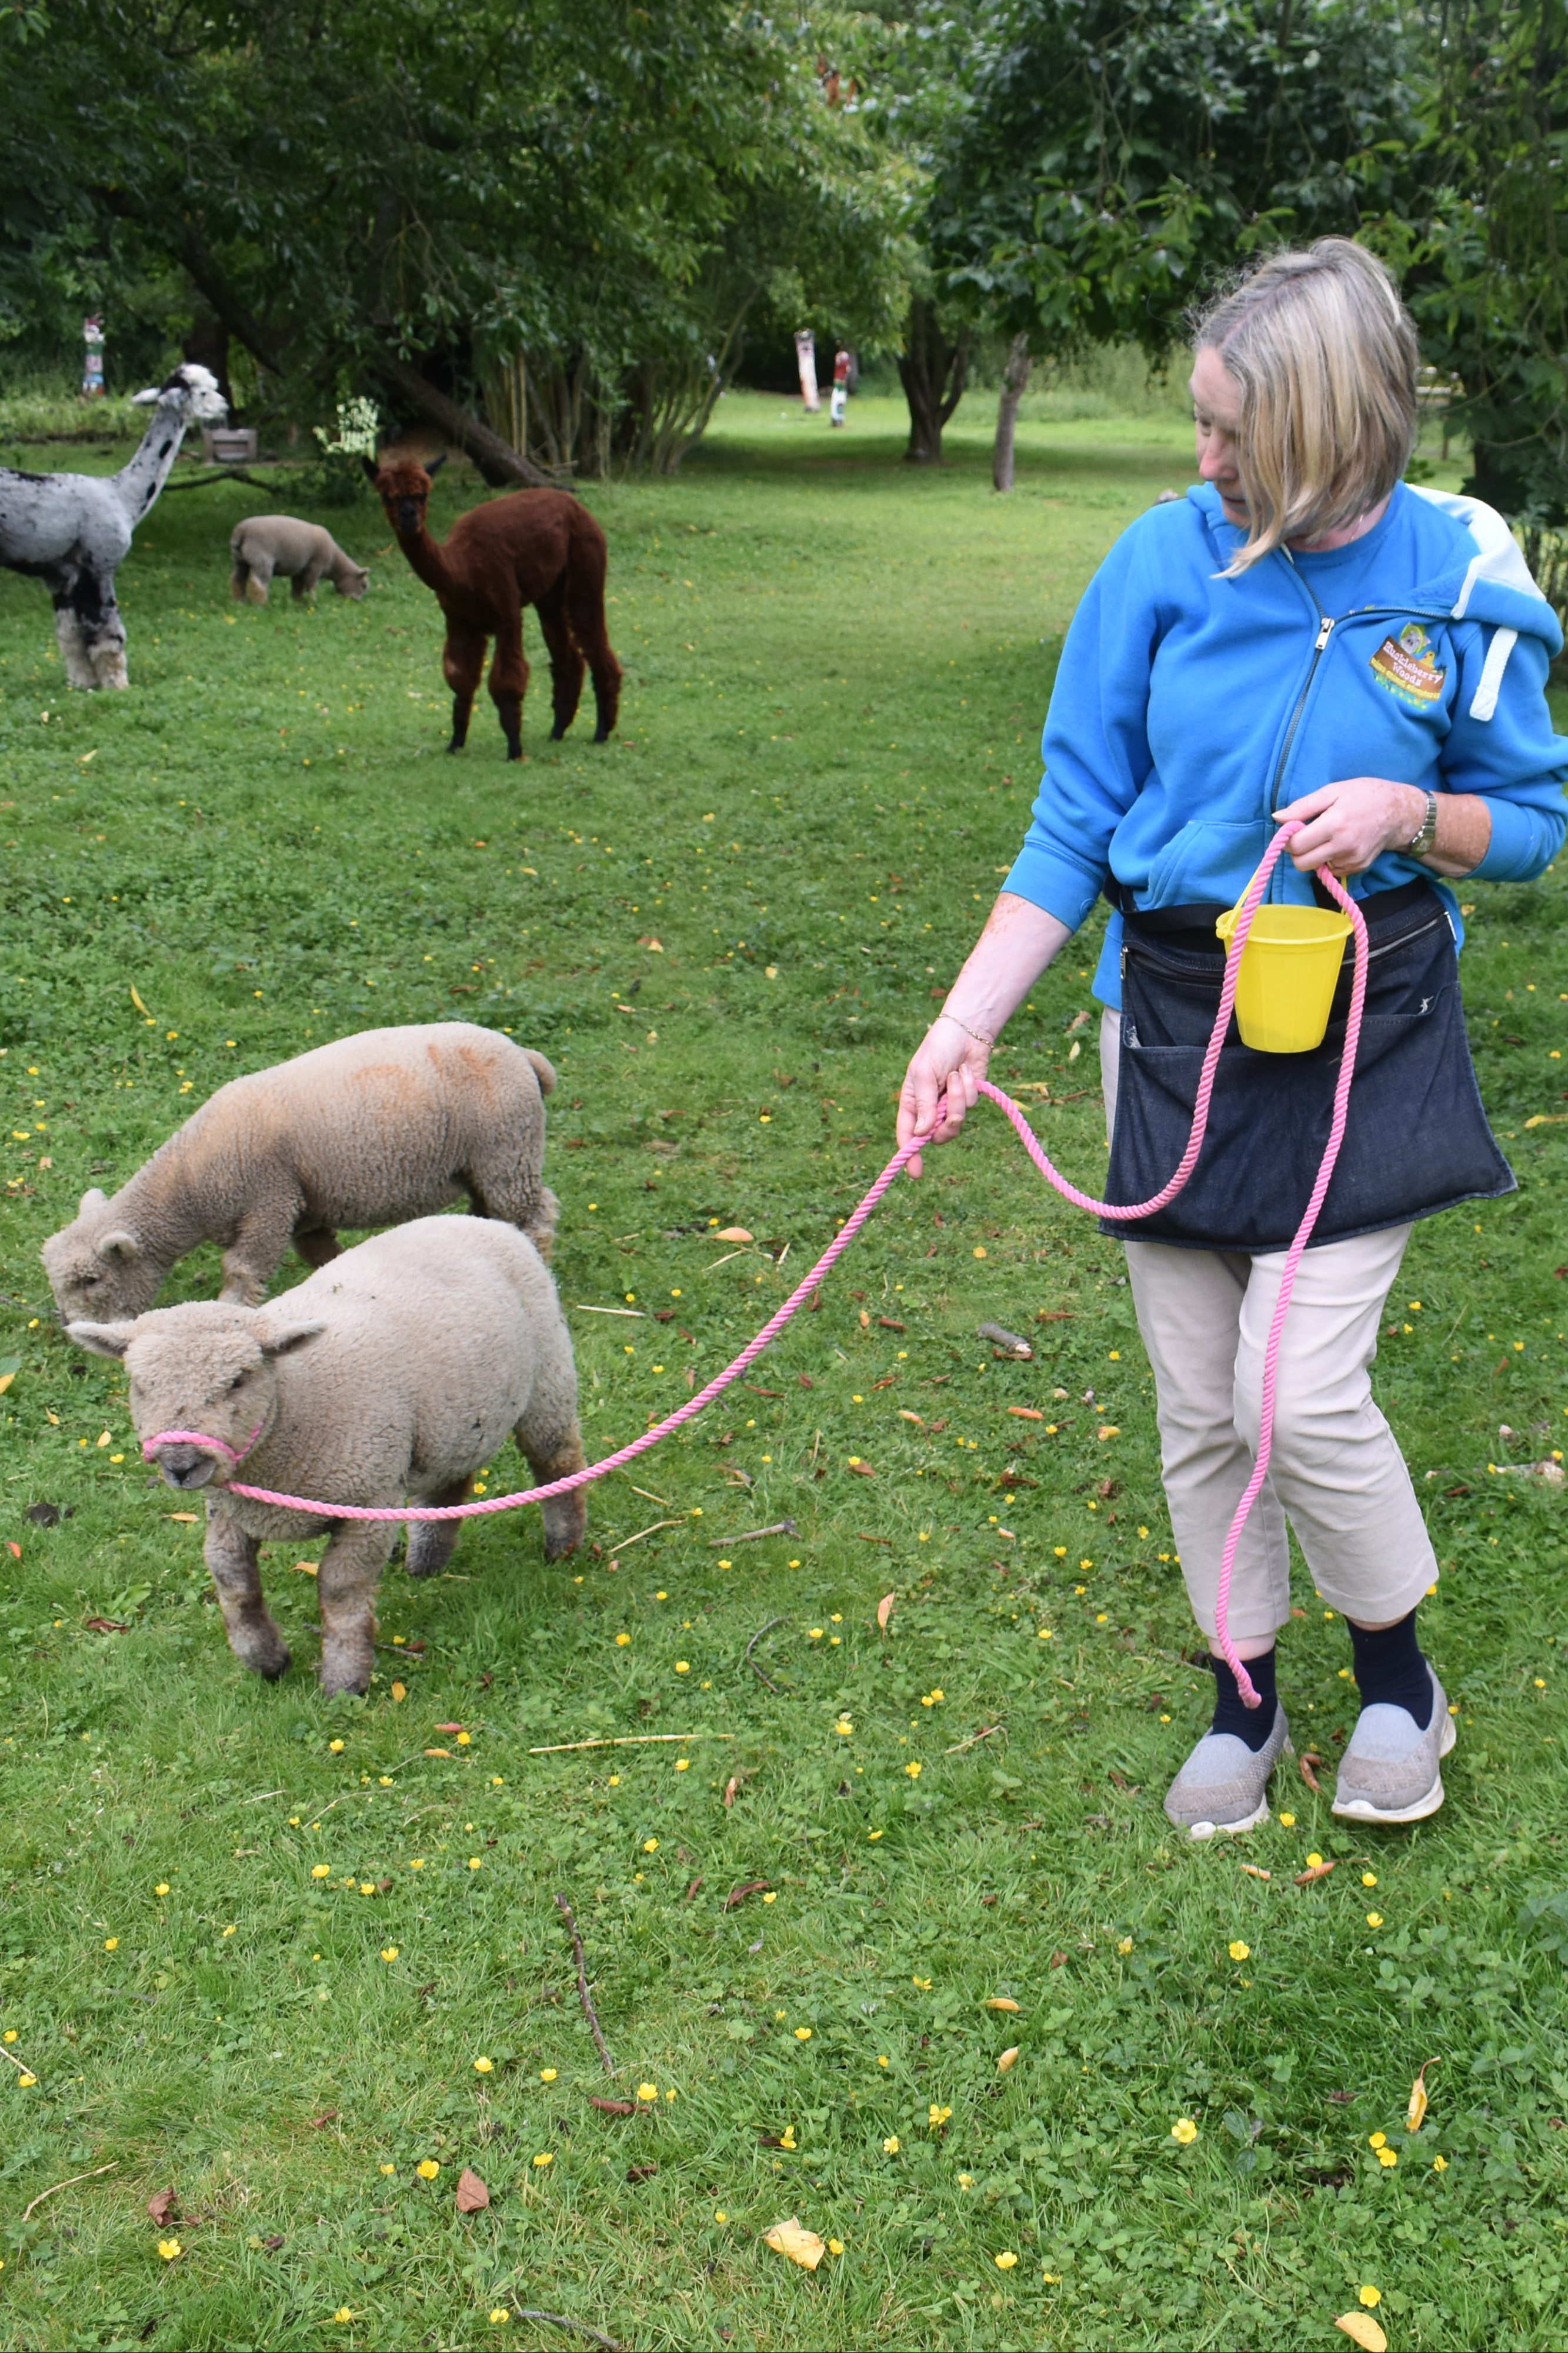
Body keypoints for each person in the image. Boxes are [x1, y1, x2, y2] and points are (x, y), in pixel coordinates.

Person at [896, 239, 1568, 1835]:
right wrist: (959, 1024)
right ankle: (1242, 1696)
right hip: (1174, 1025)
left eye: (1227, 436)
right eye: (1195, 426)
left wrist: (1416, 811)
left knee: (1297, 1390)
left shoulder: (1461, 576)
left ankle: (1398, 1679)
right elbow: (1070, 822)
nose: (1198, 463)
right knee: (1201, 1399)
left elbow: (1536, 820)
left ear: (1329, 433)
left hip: (1367, 1024)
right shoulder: (1156, 561)